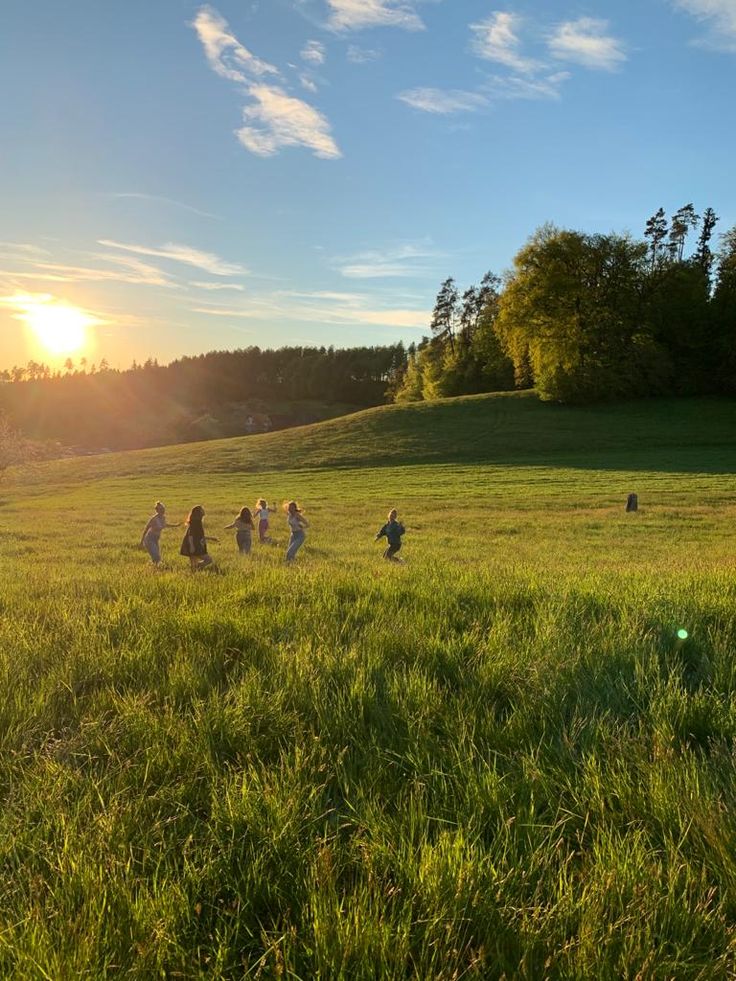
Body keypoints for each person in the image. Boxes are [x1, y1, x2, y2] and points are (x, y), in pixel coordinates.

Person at [180, 505, 219, 571]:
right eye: (202, 510)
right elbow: (190, 535)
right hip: (193, 545)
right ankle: (197, 567)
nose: (204, 510)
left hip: (195, 544)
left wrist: (211, 538)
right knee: (208, 560)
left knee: (194, 565)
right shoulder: (195, 522)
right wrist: (192, 547)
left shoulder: (197, 522)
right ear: (198, 513)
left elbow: (199, 536)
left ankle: (196, 570)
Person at [140, 501, 174, 566]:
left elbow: (165, 525)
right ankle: (153, 568)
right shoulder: (153, 519)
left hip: (156, 539)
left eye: (163, 509)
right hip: (149, 539)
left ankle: (151, 568)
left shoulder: (163, 518)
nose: (163, 511)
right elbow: (146, 529)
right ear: (157, 510)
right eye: (161, 509)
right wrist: (141, 542)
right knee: (156, 557)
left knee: (156, 557)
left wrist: (176, 525)